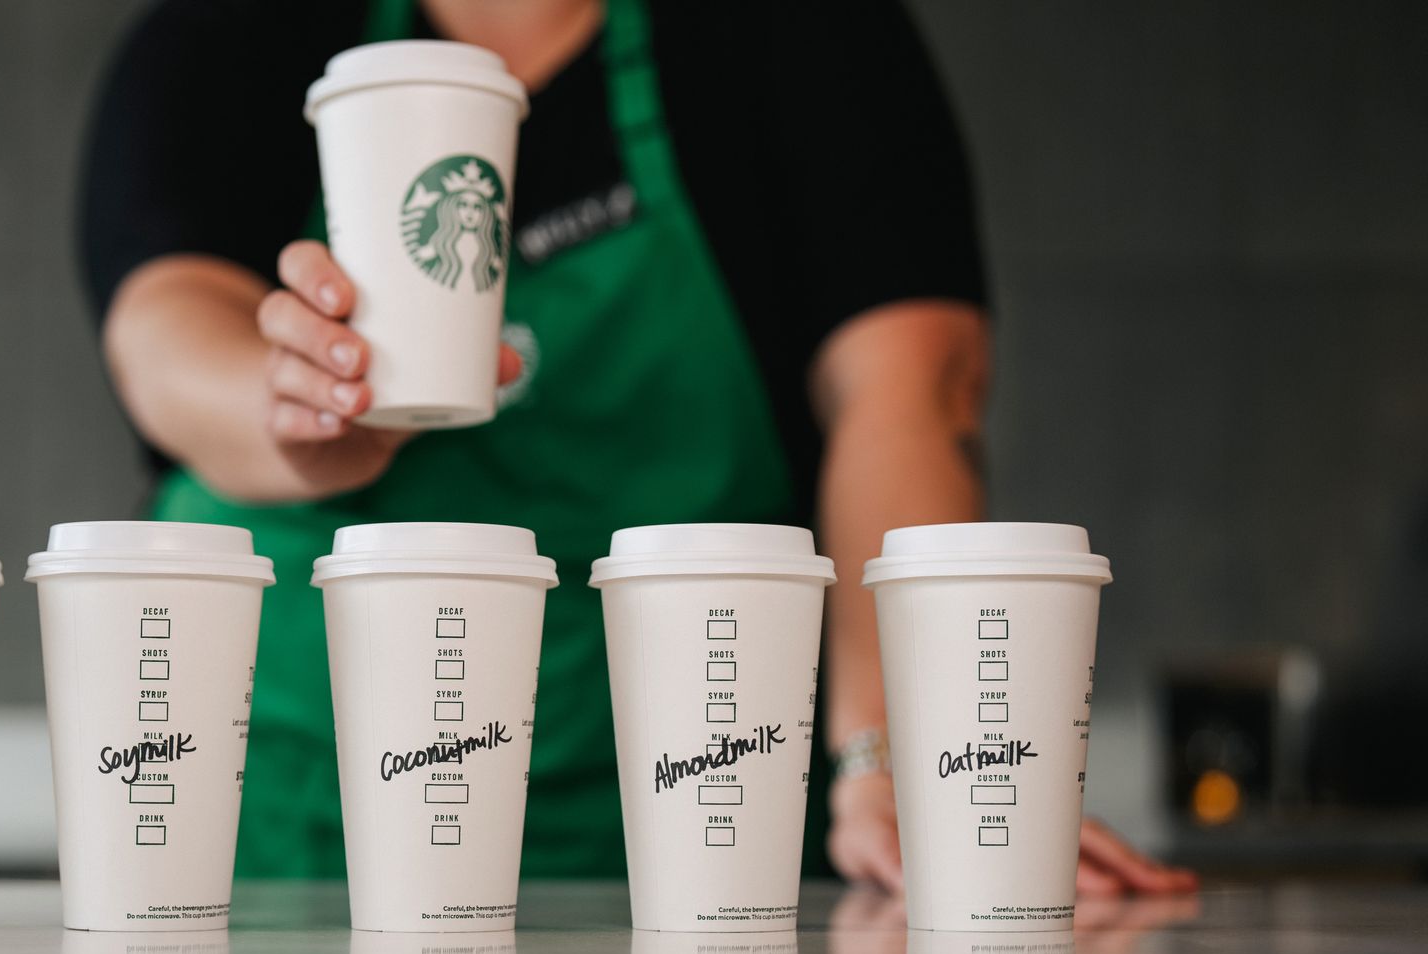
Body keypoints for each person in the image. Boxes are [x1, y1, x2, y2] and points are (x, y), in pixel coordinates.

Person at [77, 0, 1196, 895]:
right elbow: (165, 328)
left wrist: (898, 754)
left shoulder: (798, 35)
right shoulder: (227, 37)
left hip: (704, 840)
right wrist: (301, 406)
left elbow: (908, 394)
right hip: (280, 850)